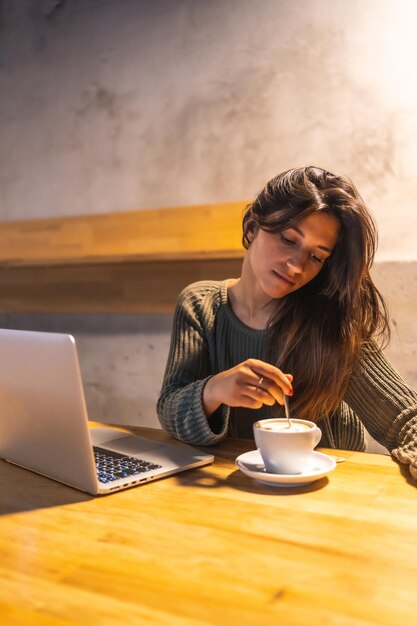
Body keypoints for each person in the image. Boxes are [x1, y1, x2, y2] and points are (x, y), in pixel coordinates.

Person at [157, 166, 417, 480]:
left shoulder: (331, 322)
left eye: (317, 257)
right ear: (253, 227)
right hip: (231, 492)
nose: (296, 266)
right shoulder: (201, 305)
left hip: (329, 492)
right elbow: (170, 408)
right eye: (289, 240)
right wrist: (215, 390)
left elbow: (406, 422)